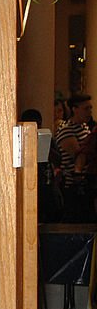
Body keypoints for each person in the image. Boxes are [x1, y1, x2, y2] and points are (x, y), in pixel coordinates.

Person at [55, 94, 94, 222]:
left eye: (90, 108)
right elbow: (78, 155)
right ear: (74, 109)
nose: (89, 112)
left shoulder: (84, 128)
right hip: (73, 185)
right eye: (86, 109)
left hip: (86, 183)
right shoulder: (67, 130)